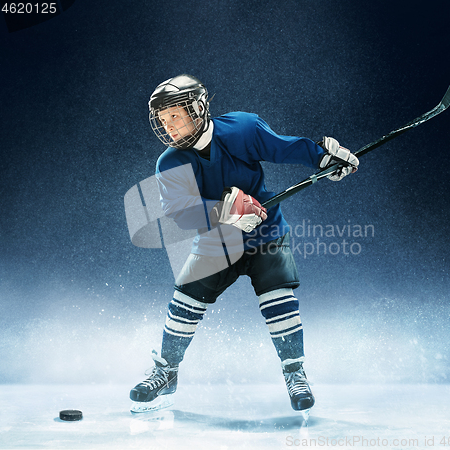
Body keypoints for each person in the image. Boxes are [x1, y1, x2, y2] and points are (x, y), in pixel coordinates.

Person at [129, 74, 358, 414]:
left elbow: (283, 147)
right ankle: (167, 371)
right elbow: (182, 216)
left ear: (198, 107)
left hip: (266, 234)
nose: (170, 128)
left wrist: (324, 159)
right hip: (216, 243)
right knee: (184, 302)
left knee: (279, 298)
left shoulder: (242, 130)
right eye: (164, 121)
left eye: (174, 116)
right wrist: (225, 210)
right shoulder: (170, 162)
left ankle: (295, 372)